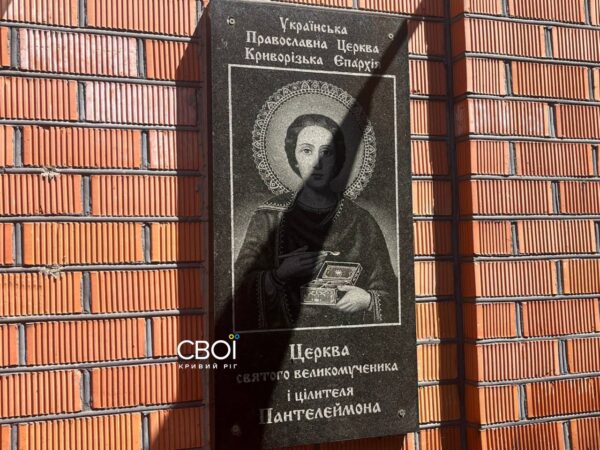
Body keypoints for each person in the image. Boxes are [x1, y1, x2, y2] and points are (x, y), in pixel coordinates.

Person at [234, 113, 398, 330]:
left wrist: (367, 300)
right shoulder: (269, 216)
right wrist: (280, 274)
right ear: (294, 158)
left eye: (326, 152)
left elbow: (391, 292)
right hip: (285, 336)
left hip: (347, 337)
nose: (317, 162)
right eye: (306, 150)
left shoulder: (361, 221)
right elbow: (238, 285)